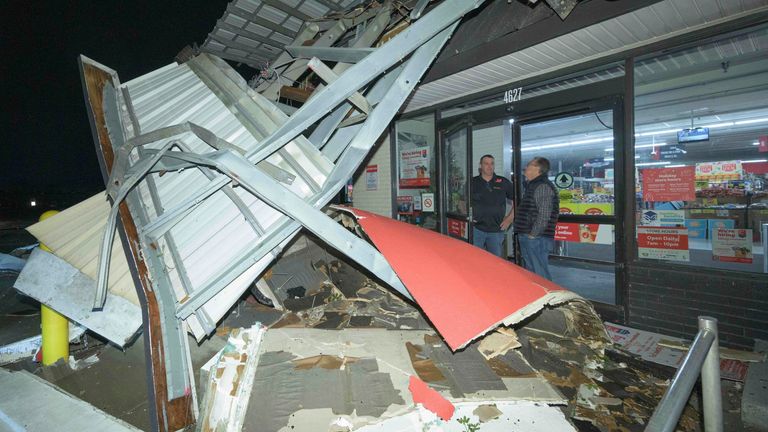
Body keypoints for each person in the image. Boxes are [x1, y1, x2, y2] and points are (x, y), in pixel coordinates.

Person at [514, 157, 559, 279]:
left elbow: (544, 214)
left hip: (536, 238)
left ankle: (548, 297)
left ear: (537, 169)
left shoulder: (542, 186)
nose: (525, 168)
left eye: (528, 166)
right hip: (532, 237)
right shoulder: (533, 185)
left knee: (540, 274)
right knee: (533, 273)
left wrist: (533, 235)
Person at [470, 154, 514, 257]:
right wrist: (469, 216)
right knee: (475, 259)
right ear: (480, 165)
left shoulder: (503, 182)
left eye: (492, 163)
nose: (489, 166)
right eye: (486, 163)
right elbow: (462, 201)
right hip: (477, 229)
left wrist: (509, 219)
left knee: (495, 260)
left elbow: (518, 201)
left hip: (496, 230)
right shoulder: (473, 182)